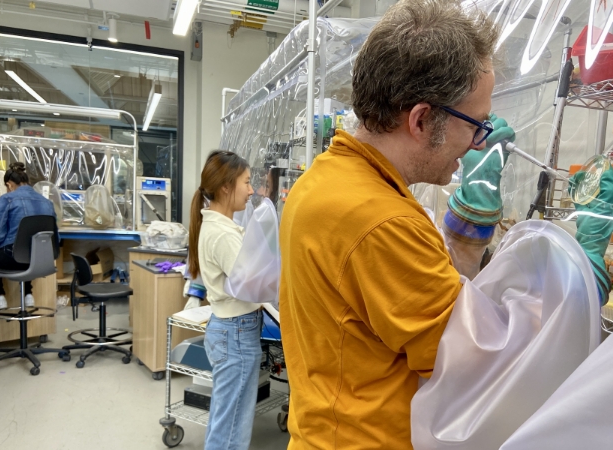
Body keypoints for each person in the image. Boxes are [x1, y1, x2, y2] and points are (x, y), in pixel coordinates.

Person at [278, 0, 500, 447]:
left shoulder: (324, 178)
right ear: (421, 119)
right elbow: (475, 369)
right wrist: (573, 279)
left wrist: (459, 244)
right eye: (477, 125)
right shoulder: (381, 222)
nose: (478, 145)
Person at [187, 150, 259, 450]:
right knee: (230, 429)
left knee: (227, 419)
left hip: (230, 330)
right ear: (227, 186)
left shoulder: (218, 227)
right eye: (247, 182)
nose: (252, 190)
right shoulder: (223, 234)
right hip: (236, 332)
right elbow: (254, 284)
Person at [0, 162, 58, 311]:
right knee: (27, 251)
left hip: (15, 258)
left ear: (9, 184)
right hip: (43, 260)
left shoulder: (7, 199)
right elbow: (56, 238)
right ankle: (28, 294)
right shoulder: (47, 202)